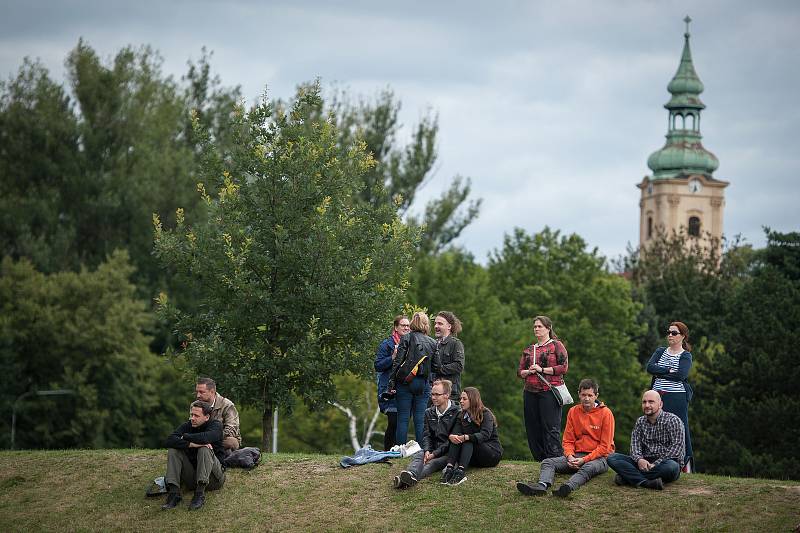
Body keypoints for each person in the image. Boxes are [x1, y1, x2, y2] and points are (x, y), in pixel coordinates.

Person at [516, 378, 615, 498]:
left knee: (589, 467)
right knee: (548, 462)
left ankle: (568, 487)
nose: (586, 398)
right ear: (579, 394)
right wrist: (569, 456)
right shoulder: (573, 411)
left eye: (590, 395)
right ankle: (542, 486)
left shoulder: (606, 413)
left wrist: (584, 460)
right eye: (583, 395)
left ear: (596, 396)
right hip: (576, 455)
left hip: (599, 458)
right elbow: (568, 440)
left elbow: (605, 447)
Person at [607, 390, 684, 490]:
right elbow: (634, 446)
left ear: (660, 404)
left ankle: (628, 478)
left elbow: (676, 449)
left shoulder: (673, 420)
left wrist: (655, 464)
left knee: (671, 467)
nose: (647, 405)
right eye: (644, 402)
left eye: (651, 402)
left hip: (665, 463)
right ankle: (646, 483)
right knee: (612, 458)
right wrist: (639, 459)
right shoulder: (640, 421)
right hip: (644, 462)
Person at [517, 315, 569, 461]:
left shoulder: (556, 345)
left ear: (548, 328)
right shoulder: (529, 349)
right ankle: (539, 458)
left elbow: (563, 367)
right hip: (530, 391)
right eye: (535, 327)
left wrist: (542, 369)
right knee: (532, 426)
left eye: (540, 326)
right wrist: (528, 372)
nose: (536, 329)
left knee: (550, 426)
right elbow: (519, 371)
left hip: (549, 390)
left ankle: (554, 458)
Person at [393, 379, 460, 488]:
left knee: (432, 463)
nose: (433, 397)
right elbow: (427, 435)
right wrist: (428, 450)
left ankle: (404, 480)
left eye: (437, 394)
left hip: (449, 452)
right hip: (432, 449)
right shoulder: (428, 412)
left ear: (447, 395)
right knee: (420, 454)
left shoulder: (457, 412)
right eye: (432, 394)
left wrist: (434, 454)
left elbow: (451, 440)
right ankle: (410, 475)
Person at [647, 321, 694, 472]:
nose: (670, 335)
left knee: (678, 428)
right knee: (654, 427)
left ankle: (682, 464)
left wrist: (660, 372)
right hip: (656, 396)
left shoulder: (685, 355)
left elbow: (681, 375)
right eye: (668, 332)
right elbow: (650, 367)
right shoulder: (661, 351)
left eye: (674, 333)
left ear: (683, 336)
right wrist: (668, 369)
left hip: (676, 397)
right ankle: (653, 460)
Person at [162, 400, 226, 510]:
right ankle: (174, 493)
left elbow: (206, 438)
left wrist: (185, 437)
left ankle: (199, 494)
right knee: (173, 449)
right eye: (191, 414)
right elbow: (169, 440)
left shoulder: (216, 425)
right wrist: (191, 444)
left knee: (204, 448)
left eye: (196, 415)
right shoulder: (188, 425)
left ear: (206, 417)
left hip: (214, 478)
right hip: (192, 478)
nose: (192, 418)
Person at [390, 311, 437, 445]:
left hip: (405, 382)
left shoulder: (406, 338)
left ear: (412, 323)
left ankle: (400, 449)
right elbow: (436, 367)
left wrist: (391, 383)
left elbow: (397, 362)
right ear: (426, 324)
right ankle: (422, 451)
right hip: (423, 383)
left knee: (403, 418)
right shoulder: (433, 343)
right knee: (420, 419)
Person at [440, 387, 502, 485]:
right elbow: (456, 433)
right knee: (457, 439)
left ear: (473, 400)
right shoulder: (461, 415)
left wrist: (466, 437)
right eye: (460, 399)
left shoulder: (485, 414)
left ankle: (460, 472)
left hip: (491, 454)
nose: (461, 401)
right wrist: (452, 436)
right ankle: (449, 469)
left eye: (464, 399)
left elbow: (484, 435)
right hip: (473, 457)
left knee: (468, 439)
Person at [375, 315, 410, 450]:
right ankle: (388, 450)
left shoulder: (411, 343)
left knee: (402, 421)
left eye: (408, 326)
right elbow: (378, 365)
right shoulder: (387, 344)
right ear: (396, 328)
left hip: (406, 388)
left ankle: (399, 450)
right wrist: (392, 357)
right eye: (403, 325)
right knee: (393, 421)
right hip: (390, 389)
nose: (406, 328)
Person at [195, 377, 241, 452]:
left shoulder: (227, 405)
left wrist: (211, 437)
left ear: (212, 391)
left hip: (222, 438)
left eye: (201, 392)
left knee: (231, 442)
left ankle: (225, 459)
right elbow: (192, 424)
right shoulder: (195, 405)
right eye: (197, 392)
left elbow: (232, 429)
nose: (198, 395)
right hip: (201, 437)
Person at [432, 311, 465, 401]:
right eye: (435, 323)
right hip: (433, 394)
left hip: (450, 394)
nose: (436, 326)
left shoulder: (456, 343)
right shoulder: (433, 344)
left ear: (449, 326)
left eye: (440, 324)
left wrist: (440, 369)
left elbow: (459, 366)